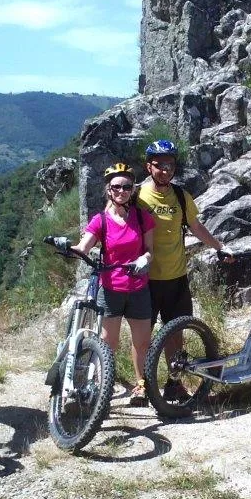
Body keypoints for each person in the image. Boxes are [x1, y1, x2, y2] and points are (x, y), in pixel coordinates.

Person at [136, 139, 232, 401]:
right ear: (149, 167)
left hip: (176, 277)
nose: (165, 170)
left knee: (175, 335)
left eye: (170, 165)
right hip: (146, 279)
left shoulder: (181, 196)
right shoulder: (138, 197)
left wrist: (219, 247)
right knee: (143, 337)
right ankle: (142, 384)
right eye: (159, 165)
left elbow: (196, 226)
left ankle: (173, 383)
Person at [69, 163, 156, 406]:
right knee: (108, 344)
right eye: (116, 187)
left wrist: (144, 259)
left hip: (139, 289)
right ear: (108, 190)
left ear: (132, 190)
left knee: (142, 343)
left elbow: (150, 251)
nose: (122, 191)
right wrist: (69, 248)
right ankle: (100, 386)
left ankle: (141, 385)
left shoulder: (142, 218)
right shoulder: (101, 221)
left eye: (126, 186)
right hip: (111, 290)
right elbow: (84, 246)